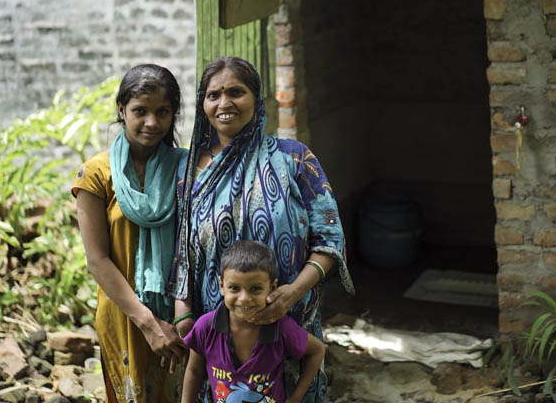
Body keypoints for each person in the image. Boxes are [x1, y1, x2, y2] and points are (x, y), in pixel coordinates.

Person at [170, 56, 354, 403]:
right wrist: (185, 314)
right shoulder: (189, 169)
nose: (224, 103)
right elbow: (182, 246)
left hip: (291, 320)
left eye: (236, 92)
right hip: (221, 335)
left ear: (257, 98)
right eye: (213, 95)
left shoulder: (294, 159)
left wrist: (291, 294)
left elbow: (330, 239)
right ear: (202, 103)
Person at [73, 64, 188, 403]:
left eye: (162, 112)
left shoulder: (187, 168)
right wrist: (150, 325)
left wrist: (178, 321)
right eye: (140, 111)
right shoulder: (95, 174)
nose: (152, 122)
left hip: (182, 316)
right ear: (122, 110)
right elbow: (98, 260)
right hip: (125, 316)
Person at [181, 240, 326, 403]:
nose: (244, 298)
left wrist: (295, 398)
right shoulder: (205, 327)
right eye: (234, 288)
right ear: (221, 285)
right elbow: (194, 371)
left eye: (255, 289)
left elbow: (317, 351)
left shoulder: (281, 328)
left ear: (272, 288)